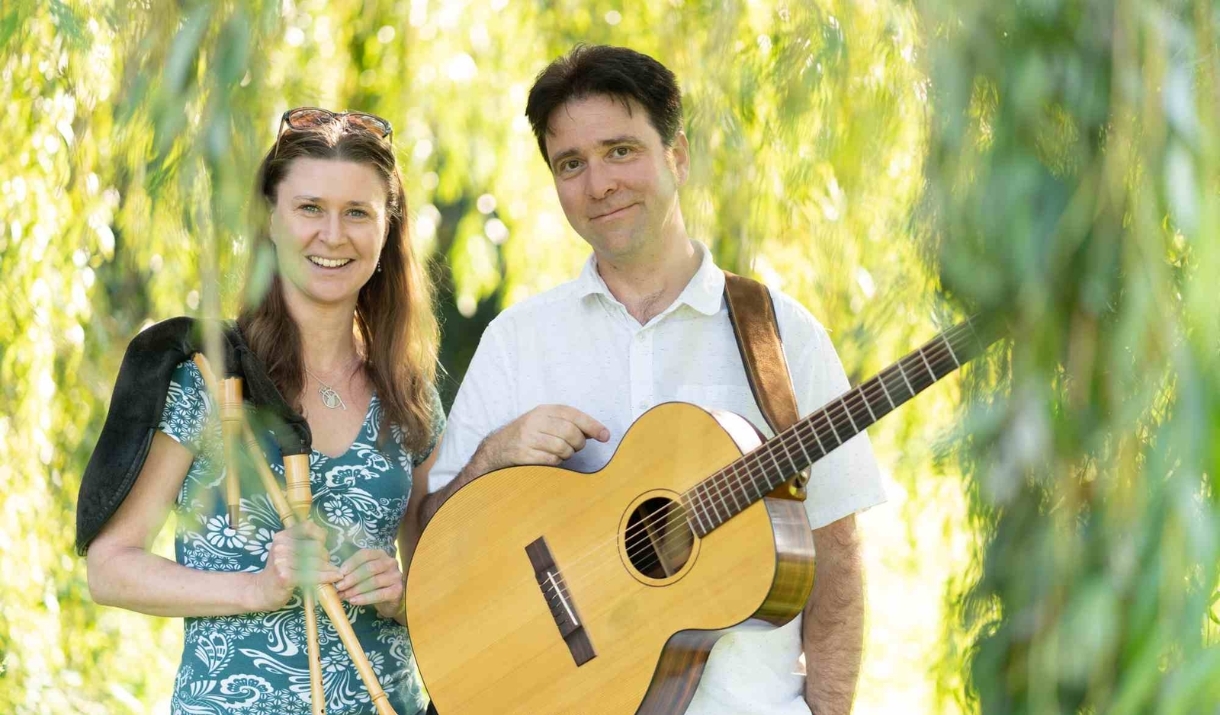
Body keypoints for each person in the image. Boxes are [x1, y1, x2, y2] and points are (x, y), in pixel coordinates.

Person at [423, 46, 886, 715]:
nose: (599, 184)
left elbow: (837, 555)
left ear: (679, 157)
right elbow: (436, 549)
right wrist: (491, 457)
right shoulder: (519, 341)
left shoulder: (778, 336)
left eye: (620, 150)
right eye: (571, 164)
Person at [85, 107, 443, 715]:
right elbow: (109, 569)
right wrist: (257, 588)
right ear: (269, 222)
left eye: (357, 212)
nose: (333, 235)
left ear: (387, 231)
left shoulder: (410, 393)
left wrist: (401, 593)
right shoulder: (206, 378)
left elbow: (445, 581)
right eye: (310, 208)